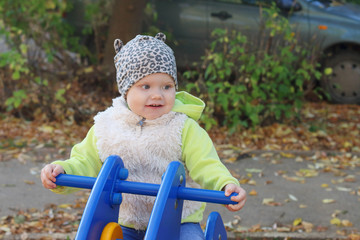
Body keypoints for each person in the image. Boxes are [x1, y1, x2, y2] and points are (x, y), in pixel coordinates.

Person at [41, 33, 246, 240]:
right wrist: (63, 171)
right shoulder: (106, 126)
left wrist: (224, 184)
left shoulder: (183, 128)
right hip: (125, 223)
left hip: (178, 223)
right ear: (126, 90)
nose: (158, 95)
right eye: (145, 86)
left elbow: (206, 163)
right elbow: (85, 161)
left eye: (166, 86)